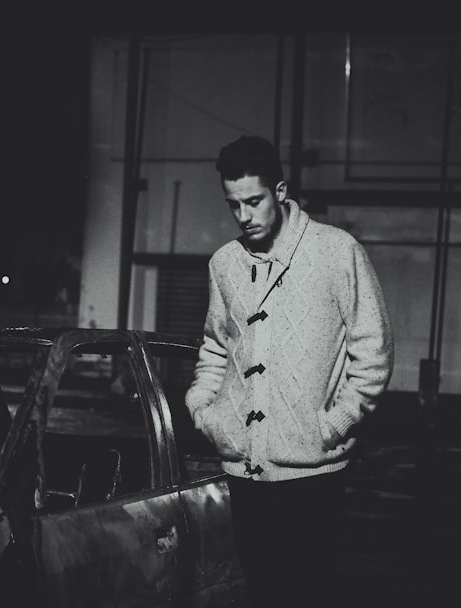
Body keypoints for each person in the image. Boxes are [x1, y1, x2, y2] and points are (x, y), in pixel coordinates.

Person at [184, 135, 394, 607]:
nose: (243, 216)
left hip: (313, 471)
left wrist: (335, 423)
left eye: (254, 201)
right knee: (259, 592)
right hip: (243, 468)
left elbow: (374, 351)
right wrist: (204, 410)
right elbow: (216, 347)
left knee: (306, 594)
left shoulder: (336, 252)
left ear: (279, 191)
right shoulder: (224, 264)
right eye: (233, 204)